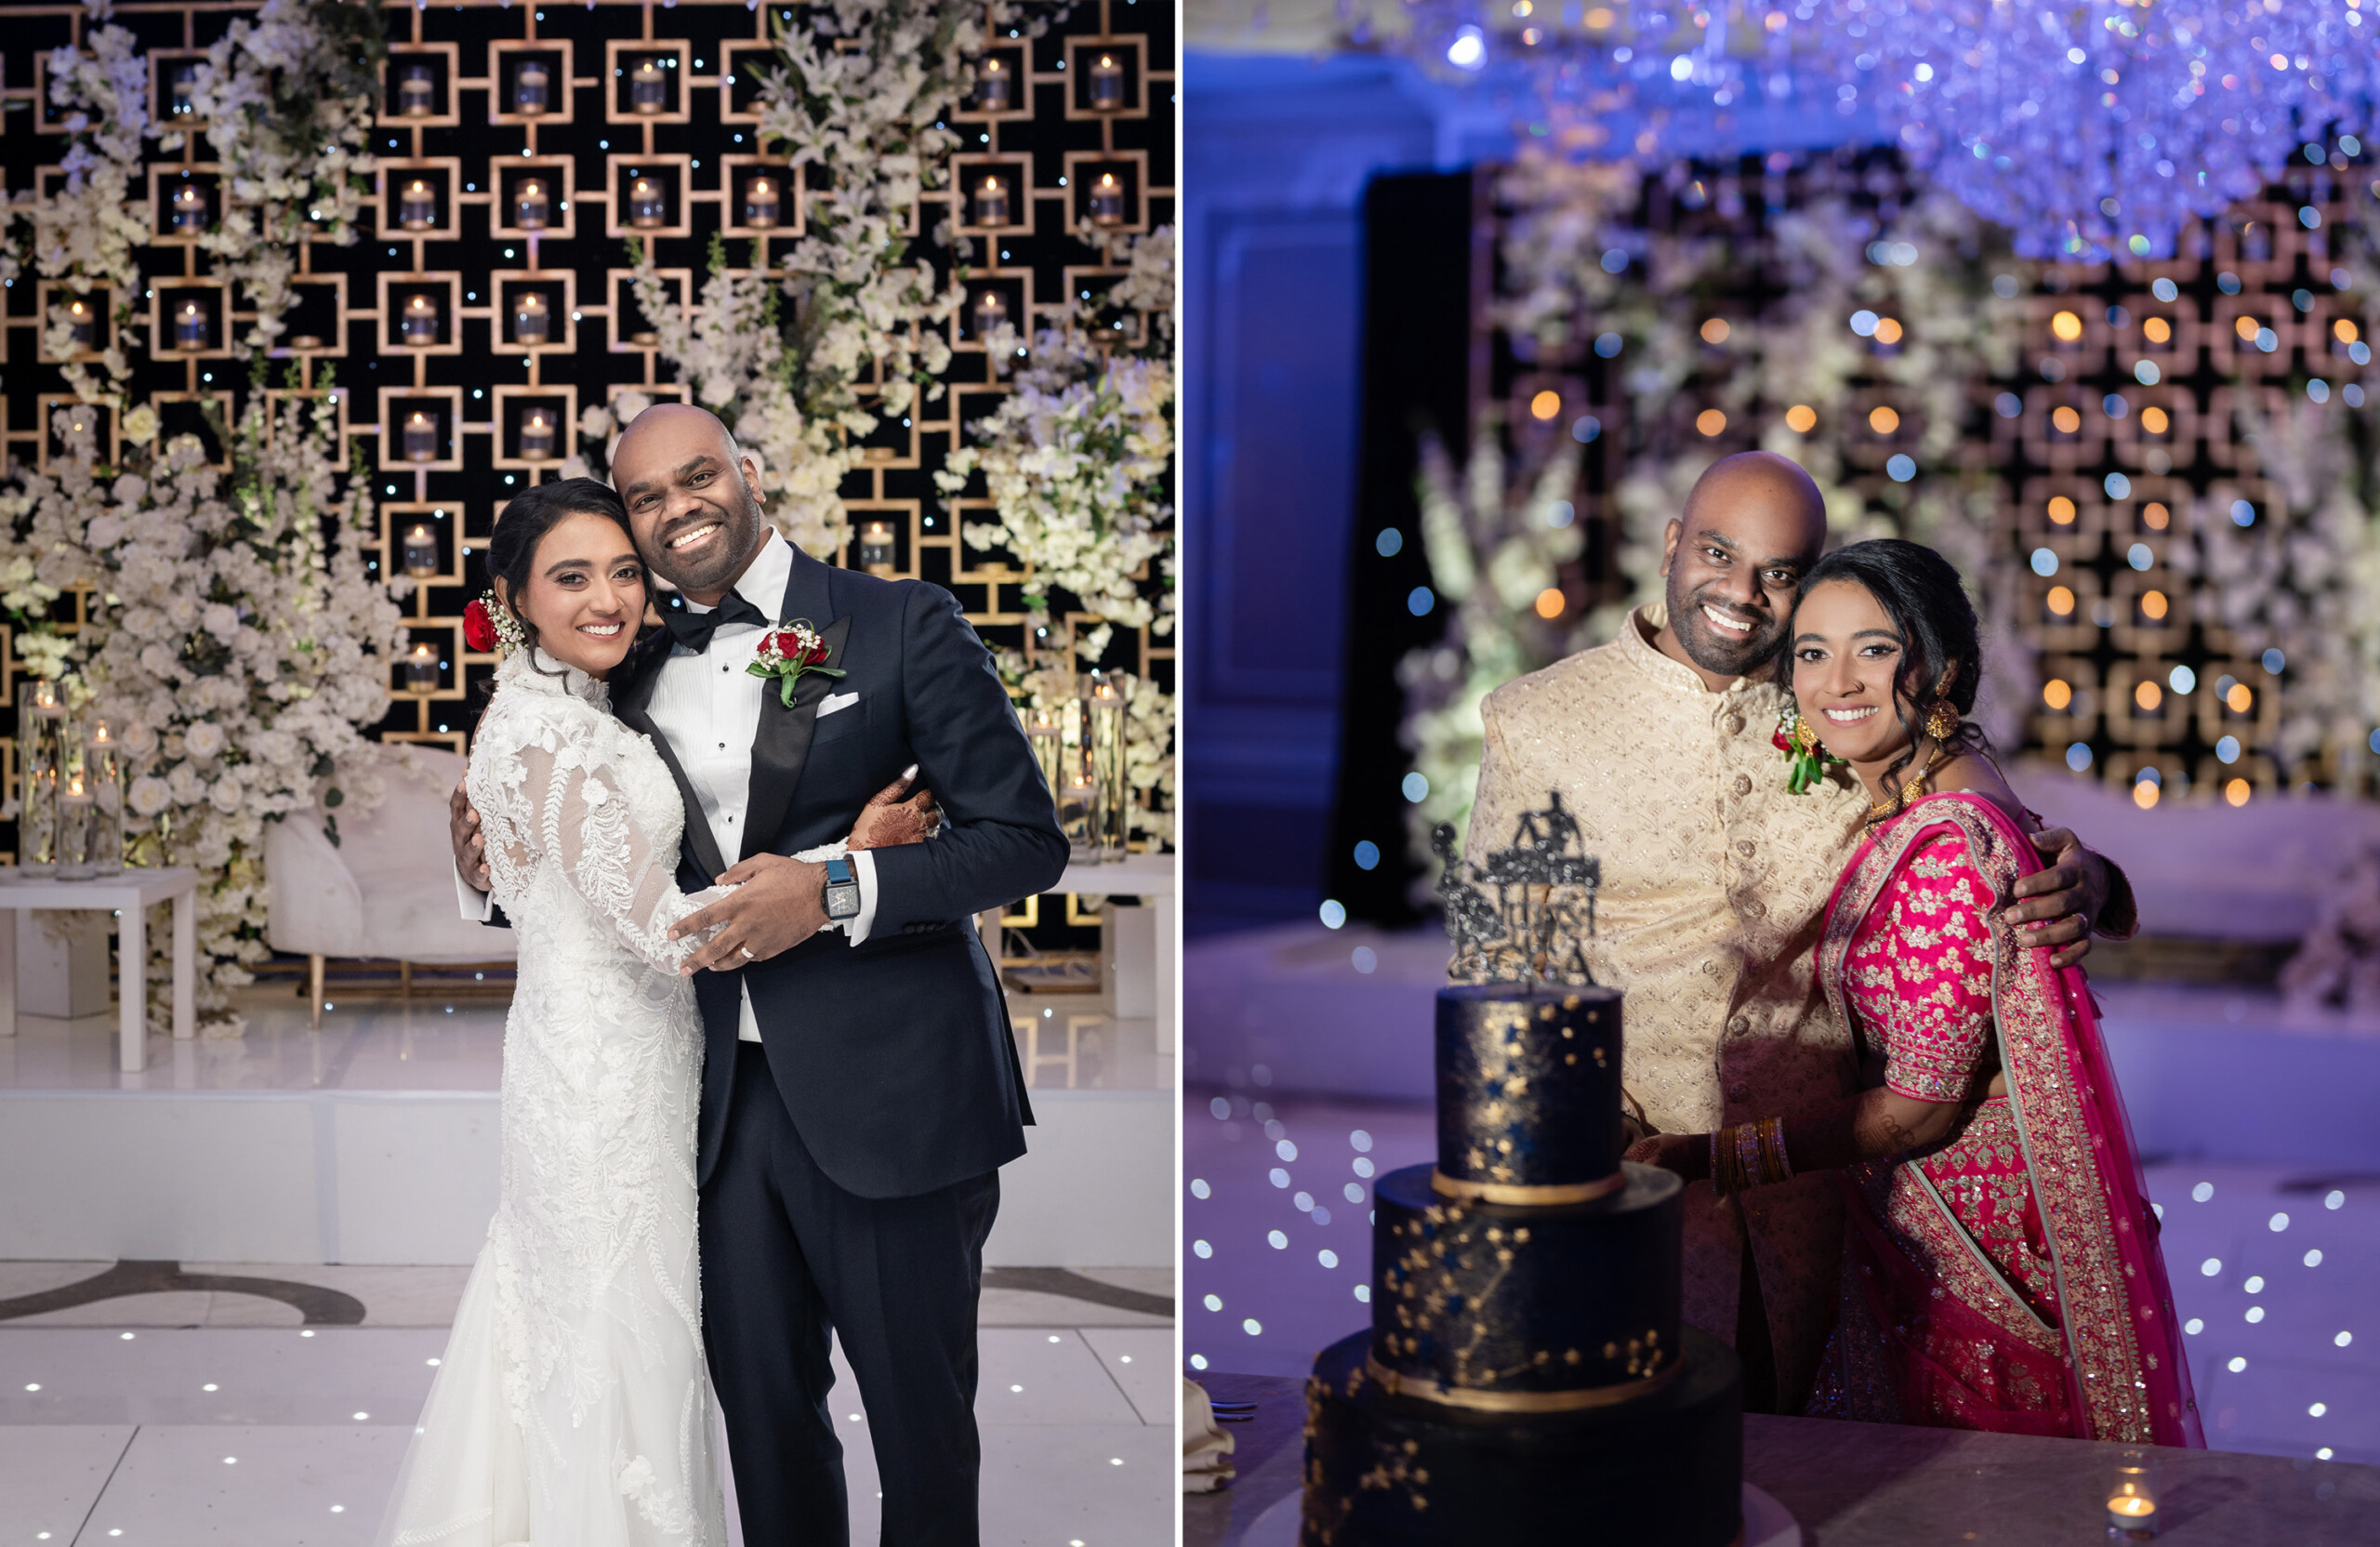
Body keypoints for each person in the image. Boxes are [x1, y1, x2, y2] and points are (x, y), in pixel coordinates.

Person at [448, 411, 1069, 1547]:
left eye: (698, 477)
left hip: (892, 1091)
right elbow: (584, 849)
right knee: (764, 1430)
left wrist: (839, 887)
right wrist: (484, 862)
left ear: (749, 474)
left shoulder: (897, 623)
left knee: (921, 1429)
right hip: (709, 1115)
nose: (677, 507)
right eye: (646, 496)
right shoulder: (620, 662)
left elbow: (1024, 840)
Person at [1461, 451, 2133, 1417]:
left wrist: (2093, 880)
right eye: (1716, 553)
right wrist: (1586, 1141)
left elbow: (1981, 830)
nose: (1741, 593)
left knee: (1822, 1481)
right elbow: (1496, 966)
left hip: (1834, 1196)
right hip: (1631, 1180)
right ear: (1669, 547)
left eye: (1778, 572)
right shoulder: (1538, 720)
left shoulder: (1835, 692)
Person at [377, 480, 939, 1545]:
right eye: (572, 577)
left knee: (619, 1344)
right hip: (600, 1091)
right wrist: (846, 859)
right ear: (514, 599)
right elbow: (672, 932)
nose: (611, 599)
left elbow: (583, 868)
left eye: (624, 571)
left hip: (633, 1072)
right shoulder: (548, 732)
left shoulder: (589, 705)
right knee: (612, 1345)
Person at [1627, 538, 2202, 1444]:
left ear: (1940, 666)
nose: (1835, 679)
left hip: (1967, 1266)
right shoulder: (1917, 788)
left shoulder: (1940, 849)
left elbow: (1921, 1108)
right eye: (1811, 650)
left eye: (1875, 647)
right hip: (1917, 1240)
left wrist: (1708, 1159)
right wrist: (2093, 876)